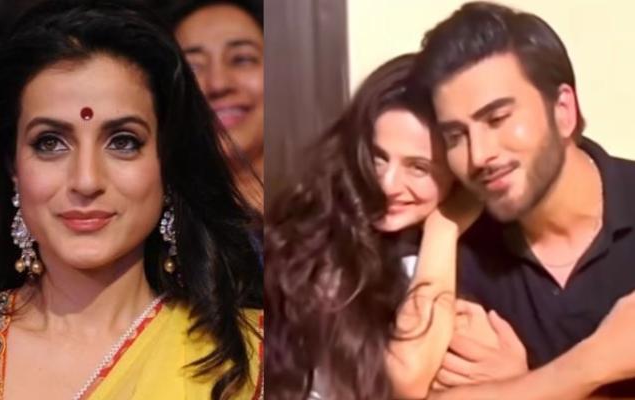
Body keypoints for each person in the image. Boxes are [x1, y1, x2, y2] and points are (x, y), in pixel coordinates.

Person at [0, 1, 263, 399]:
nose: (87, 180)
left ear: (167, 161)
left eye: (123, 142)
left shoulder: (255, 358)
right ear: (12, 166)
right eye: (50, 143)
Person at [406, 1, 635, 397]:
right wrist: (590, 364)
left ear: (563, 110)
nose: (479, 155)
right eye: (456, 137)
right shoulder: (459, 251)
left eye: (497, 119)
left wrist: (518, 385)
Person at [266, 53, 481, 400]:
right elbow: (409, 378)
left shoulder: (486, 253)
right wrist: (445, 226)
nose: (387, 185)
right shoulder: (319, 241)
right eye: (377, 158)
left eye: (418, 167)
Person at [164, 0, 264, 211]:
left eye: (242, 59)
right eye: (192, 67)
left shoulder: (324, 205)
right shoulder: (153, 221)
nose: (218, 84)